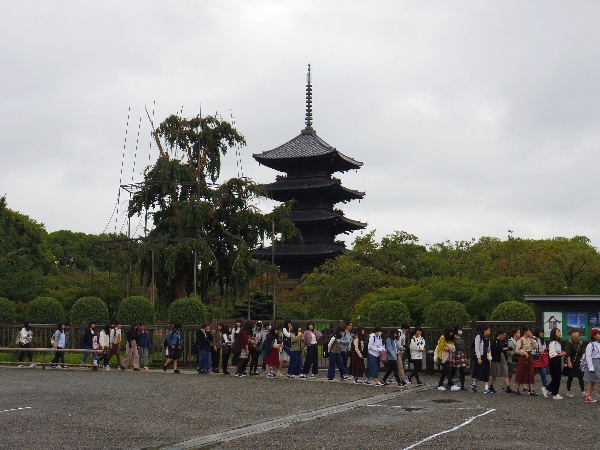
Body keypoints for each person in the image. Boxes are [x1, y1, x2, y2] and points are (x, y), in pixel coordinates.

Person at [514, 326, 539, 396]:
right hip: (522, 357)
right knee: (520, 372)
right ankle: (517, 389)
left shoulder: (530, 339)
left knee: (531, 373)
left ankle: (532, 390)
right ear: (525, 332)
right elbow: (517, 350)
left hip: (530, 357)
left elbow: (536, 346)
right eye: (529, 331)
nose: (530, 332)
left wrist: (532, 339)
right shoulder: (521, 340)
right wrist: (524, 353)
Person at [544, 327, 566, 400]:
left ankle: (548, 389)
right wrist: (560, 354)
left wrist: (561, 353)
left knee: (557, 377)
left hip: (557, 359)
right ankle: (554, 393)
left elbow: (557, 351)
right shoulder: (552, 343)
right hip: (554, 361)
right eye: (558, 332)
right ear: (554, 334)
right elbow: (552, 354)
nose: (559, 333)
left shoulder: (557, 342)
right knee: (556, 377)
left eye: (559, 332)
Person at [436, 326, 459, 391]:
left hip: (448, 356)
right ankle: (451, 384)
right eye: (450, 332)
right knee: (448, 371)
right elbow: (441, 347)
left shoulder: (450, 339)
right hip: (442, 356)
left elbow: (452, 347)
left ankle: (440, 385)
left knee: (444, 372)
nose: (451, 333)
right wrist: (448, 348)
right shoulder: (442, 338)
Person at [565, 329, 585, 398]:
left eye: (577, 332)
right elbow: (568, 353)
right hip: (571, 360)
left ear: (579, 333)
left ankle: (583, 391)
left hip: (578, 361)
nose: (575, 334)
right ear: (572, 334)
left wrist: (582, 359)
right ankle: (568, 391)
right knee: (570, 377)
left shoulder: (581, 342)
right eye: (574, 333)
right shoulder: (569, 342)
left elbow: (583, 352)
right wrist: (569, 362)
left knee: (580, 377)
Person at [490, 329, 512, 394]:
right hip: (496, 358)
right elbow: (494, 350)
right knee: (495, 373)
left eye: (504, 335)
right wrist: (504, 349)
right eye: (503, 335)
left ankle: (508, 387)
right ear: (499, 334)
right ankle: (491, 386)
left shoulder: (504, 341)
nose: (503, 337)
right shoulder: (494, 341)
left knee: (506, 372)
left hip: (503, 357)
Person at [471, 325, 491, 393]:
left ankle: (486, 388)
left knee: (486, 372)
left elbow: (489, 350)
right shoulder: (479, 337)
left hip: (486, 357)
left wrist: (490, 359)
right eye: (488, 330)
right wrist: (479, 357)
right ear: (484, 330)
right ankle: (474, 383)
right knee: (479, 372)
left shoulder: (488, 339)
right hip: (480, 356)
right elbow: (477, 348)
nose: (489, 332)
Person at [583, 328, 600, 403]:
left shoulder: (599, 344)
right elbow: (588, 356)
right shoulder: (590, 345)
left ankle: (588, 395)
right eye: (598, 334)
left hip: (598, 362)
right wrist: (590, 367)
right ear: (594, 336)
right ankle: (588, 395)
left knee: (593, 380)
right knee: (592, 380)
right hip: (594, 362)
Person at [450, 325, 467, 390]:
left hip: (461, 353)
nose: (460, 331)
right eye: (459, 330)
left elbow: (464, 348)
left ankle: (462, 385)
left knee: (462, 370)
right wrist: (452, 357)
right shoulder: (453, 338)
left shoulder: (461, 338)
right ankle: (450, 382)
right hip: (455, 353)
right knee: (453, 369)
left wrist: (465, 356)